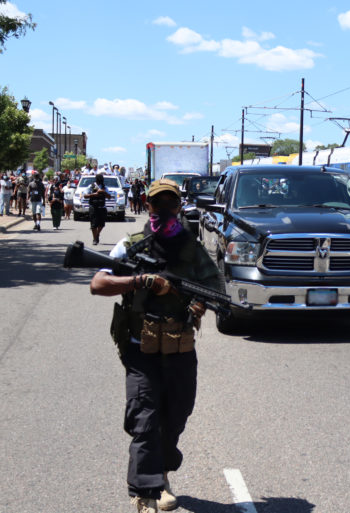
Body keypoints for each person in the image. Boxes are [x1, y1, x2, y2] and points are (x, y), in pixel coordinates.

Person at [89, 178, 223, 513]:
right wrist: (140, 280)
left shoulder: (191, 247)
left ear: (179, 207)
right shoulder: (132, 244)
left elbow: (214, 286)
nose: (164, 209)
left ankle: (161, 476)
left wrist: (199, 304)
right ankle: (144, 494)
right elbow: (99, 283)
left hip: (179, 345)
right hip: (141, 347)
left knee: (176, 414)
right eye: (157, 203)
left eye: (171, 203)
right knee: (145, 418)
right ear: (147, 205)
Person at [85, 172, 111, 245]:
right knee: (93, 224)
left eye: (101, 179)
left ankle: (97, 234)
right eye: (99, 179)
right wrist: (94, 194)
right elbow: (85, 196)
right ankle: (95, 239)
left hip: (102, 207)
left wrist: (104, 192)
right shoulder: (91, 186)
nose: (100, 180)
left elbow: (109, 197)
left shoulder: (105, 187)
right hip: (93, 206)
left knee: (101, 224)